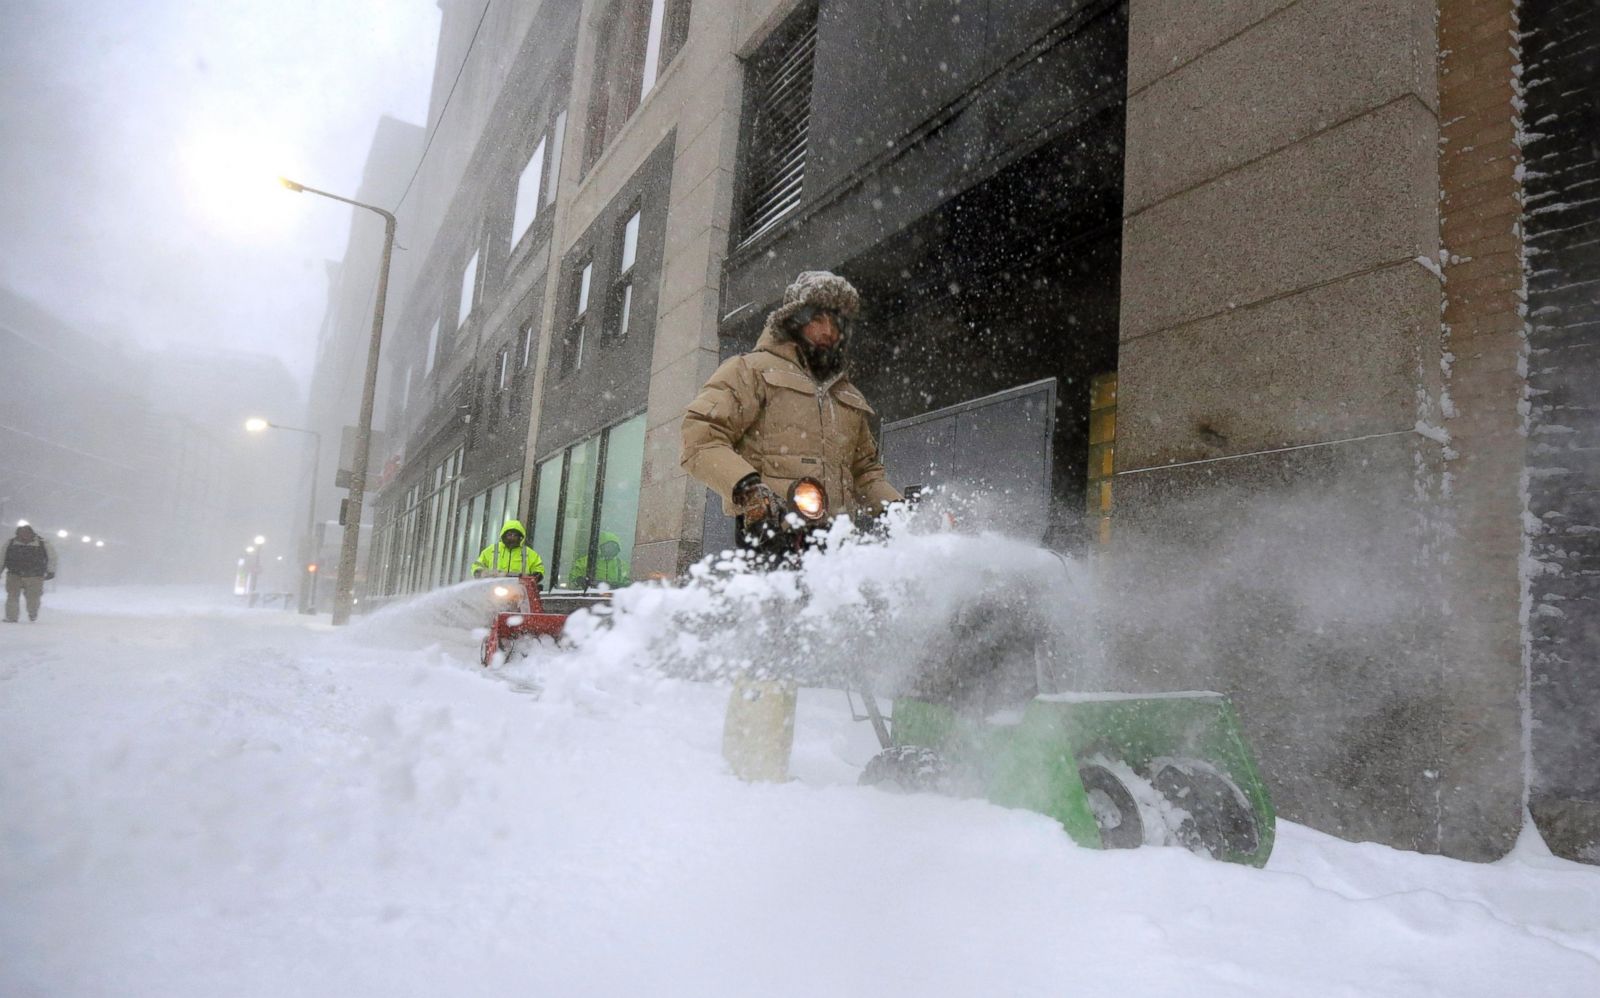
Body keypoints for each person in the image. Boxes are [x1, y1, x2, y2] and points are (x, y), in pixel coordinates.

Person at [680, 269, 901, 552]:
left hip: (838, 543)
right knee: (780, 597)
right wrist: (749, 491)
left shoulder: (847, 393)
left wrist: (894, 510)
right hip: (772, 533)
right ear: (795, 320)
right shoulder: (751, 370)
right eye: (818, 319)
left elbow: (865, 472)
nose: (828, 331)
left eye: (836, 322)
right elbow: (700, 439)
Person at [3, 524, 57, 623]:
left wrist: (51, 571)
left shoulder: (43, 543)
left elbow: (52, 557)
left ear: (32, 533)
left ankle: (33, 612)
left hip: (35, 576)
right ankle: (11, 617)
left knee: (33, 597)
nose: (24, 535)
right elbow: (1, 557)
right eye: (21, 533)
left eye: (26, 533)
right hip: (14, 574)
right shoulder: (10, 543)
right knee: (12, 596)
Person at [472, 520, 545, 581]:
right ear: (504, 535)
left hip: (521, 590)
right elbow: (477, 564)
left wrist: (536, 575)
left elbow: (538, 567)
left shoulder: (529, 553)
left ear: (520, 537)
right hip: (493, 589)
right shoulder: (492, 550)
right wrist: (480, 572)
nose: (512, 538)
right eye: (509, 535)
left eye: (515, 535)